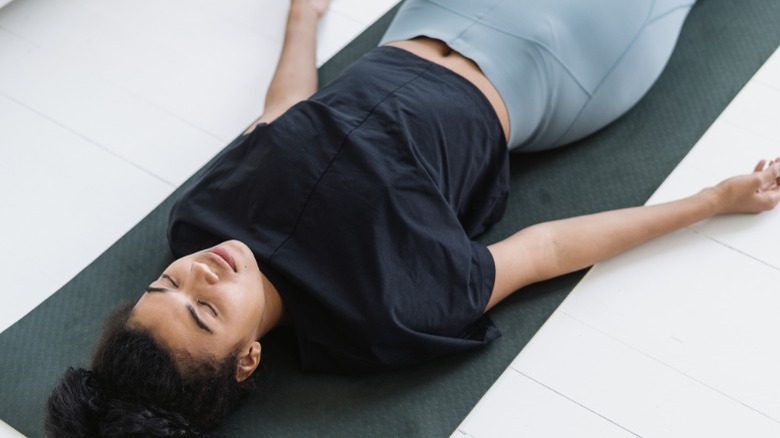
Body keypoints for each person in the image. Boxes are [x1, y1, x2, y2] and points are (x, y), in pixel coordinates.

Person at [46, 0, 780, 436]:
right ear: (247, 359)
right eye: (206, 312)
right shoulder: (380, 311)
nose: (198, 274)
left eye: (164, 288)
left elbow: (287, 113)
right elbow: (542, 248)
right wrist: (712, 202)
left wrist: (303, 18)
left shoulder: (201, 220)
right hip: (562, 50)